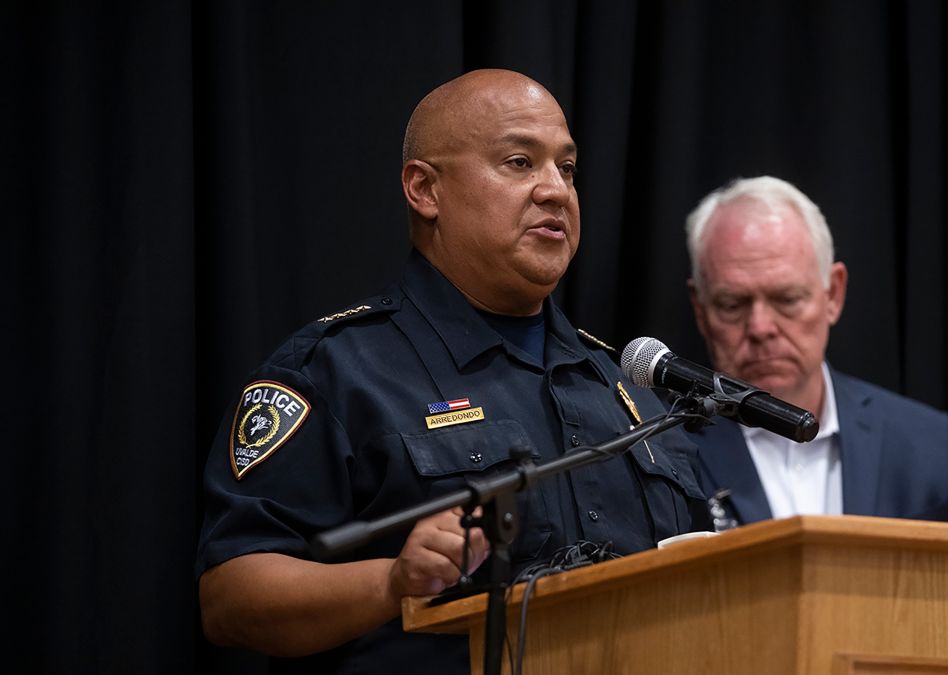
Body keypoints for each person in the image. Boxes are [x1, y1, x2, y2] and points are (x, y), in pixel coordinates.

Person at [196, 69, 706, 674]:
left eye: (566, 168)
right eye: (520, 162)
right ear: (425, 189)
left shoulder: (626, 387)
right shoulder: (337, 371)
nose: (556, 191)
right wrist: (392, 582)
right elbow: (231, 595)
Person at [684, 176, 948, 526]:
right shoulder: (657, 449)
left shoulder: (930, 449)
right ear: (700, 308)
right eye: (732, 304)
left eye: (787, 299)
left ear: (833, 294)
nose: (760, 327)